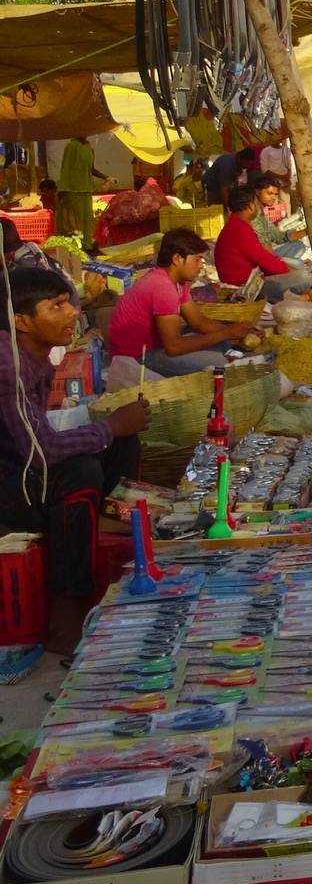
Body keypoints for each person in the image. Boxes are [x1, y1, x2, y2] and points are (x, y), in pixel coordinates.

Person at [0, 269, 150, 649]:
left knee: (120, 444)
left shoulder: (32, 356)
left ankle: (112, 544)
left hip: (18, 467)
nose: (72, 313)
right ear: (23, 321)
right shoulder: (7, 365)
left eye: (69, 302)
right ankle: (66, 609)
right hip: (9, 490)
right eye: (57, 306)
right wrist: (110, 426)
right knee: (78, 471)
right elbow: (42, 450)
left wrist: (114, 431)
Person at [105, 229, 238, 378]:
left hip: (157, 347)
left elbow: (198, 322)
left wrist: (234, 332)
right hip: (135, 360)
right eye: (197, 259)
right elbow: (174, 347)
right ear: (177, 259)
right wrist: (227, 333)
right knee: (219, 361)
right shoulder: (162, 287)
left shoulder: (178, 282)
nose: (201, 265)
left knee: (224, 343)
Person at [214, 186, 312, 301]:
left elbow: (266, 258)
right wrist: (292, 273)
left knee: (299, 269)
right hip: (245, 287)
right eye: (256, 203)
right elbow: (266, 261)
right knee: (304, 277)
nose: (258, 206)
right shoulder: (239, 230)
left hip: (250, 278)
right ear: (250, 206)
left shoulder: (237, 225)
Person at [53, 134, 104, 241]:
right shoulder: (71, 146)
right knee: (73, 221)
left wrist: (107, 177)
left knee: (87, 219)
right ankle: (75, 244)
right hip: (72, 190)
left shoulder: (89, 147)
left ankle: (87, 243)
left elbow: (91, 169)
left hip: (86, 189)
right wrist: (62, 189)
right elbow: (65, 168)